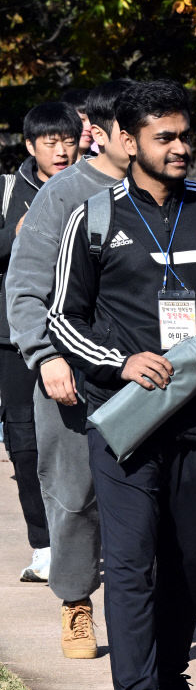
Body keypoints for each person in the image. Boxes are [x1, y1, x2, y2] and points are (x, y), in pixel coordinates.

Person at [47, 80, 196, 690]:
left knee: (190, 561)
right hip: (125, 425)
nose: (179, 148)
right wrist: (121, 362)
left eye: (183, 136)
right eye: (163, 137)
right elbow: (63, 316)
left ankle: (173, 680)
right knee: (133, 562)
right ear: (128, 140)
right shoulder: (93, 217)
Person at [7, 82, 133, 659]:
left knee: (153, 501)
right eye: (137, 131)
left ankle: (144, 614)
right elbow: (26, 284)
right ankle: (77, 601)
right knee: (72, 493)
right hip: (73, 377)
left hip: (155, 379)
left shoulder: (186, 198)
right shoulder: (64, 194)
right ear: (102, 133)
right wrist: (45, 355)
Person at [0, 102, 81, 583]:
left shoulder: (93, 185)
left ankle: (89, 538)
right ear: (30, 146)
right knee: (26, 443)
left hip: (78, 332)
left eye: (68, 139)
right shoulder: (10, 190)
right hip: (13, 336)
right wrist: (17, 236)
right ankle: (45, 543)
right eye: (49, 141)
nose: (60, 149)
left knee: (80, 439)